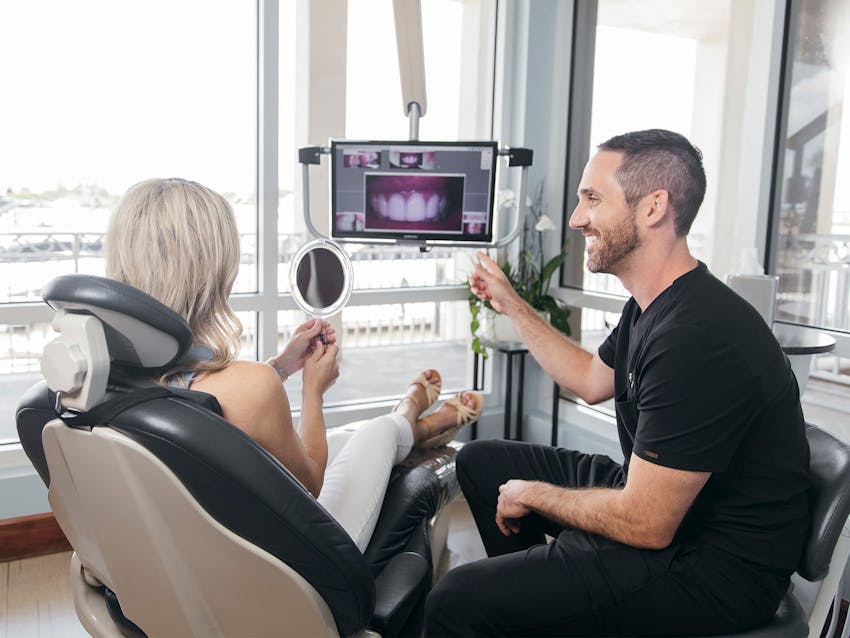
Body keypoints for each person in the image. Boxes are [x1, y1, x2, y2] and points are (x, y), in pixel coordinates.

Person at [425, 129, 810, 636]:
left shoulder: (697, 336)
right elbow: (589, 379)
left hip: (712, 566)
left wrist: (535, 494)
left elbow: (647, 524)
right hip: (666, 513)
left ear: (653, 207)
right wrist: (511, 305)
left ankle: (531, 603)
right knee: (482, 463)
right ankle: (535, 607)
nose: (576, 218)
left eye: (592, 199)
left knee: (455, 600)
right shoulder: (652, 305)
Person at [104, 177, 484, 553]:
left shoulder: (106, 376)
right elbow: (311, 483)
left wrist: (281, 366)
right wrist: (313, 390)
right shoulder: (250, 387)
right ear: (216, 273)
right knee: (377, 431)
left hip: (195, 554)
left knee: (350, 439)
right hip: (295, 563)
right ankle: (410, 417)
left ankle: (414, 426)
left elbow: (219, 403)